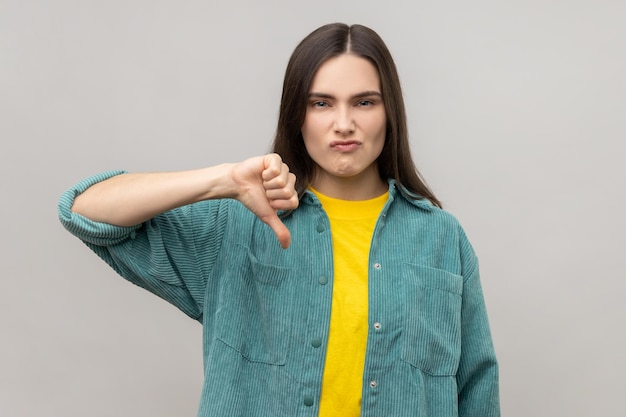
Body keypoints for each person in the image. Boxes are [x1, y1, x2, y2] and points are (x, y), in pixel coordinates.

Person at [58, 23, 500, 417]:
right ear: (298, 115)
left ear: (389, 113)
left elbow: (477, 389)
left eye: (364, 102)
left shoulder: (442, 239)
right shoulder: (237, 224)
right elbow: (83, 210)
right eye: (322, 103)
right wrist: (224, 179)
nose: (343, 123)